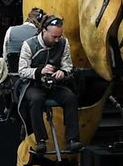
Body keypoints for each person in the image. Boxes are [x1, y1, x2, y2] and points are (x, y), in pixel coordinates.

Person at [15, 15, 80, 155]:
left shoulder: (63, 43)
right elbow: (22, 71)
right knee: (36, 99)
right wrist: (40, 71)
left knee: (70, 98)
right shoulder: (29, 45)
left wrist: (63, 72)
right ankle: (40, 140)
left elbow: (68, 65)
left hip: (55, 84)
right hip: (34, 84)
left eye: (59, 36)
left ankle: (72, 139)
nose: (57, 40)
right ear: (44, 31)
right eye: (54, 37)